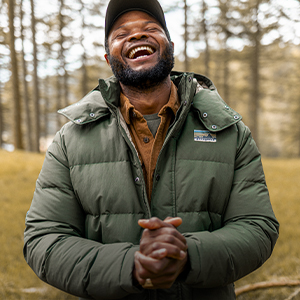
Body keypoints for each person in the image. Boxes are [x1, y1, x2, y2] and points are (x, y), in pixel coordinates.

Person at [23, 0, 279, 299]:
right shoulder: (70, 140)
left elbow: (257, 227)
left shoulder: (229, 132)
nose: (136, 36)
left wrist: (187, 256)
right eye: (121, 34)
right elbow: (44, 238)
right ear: (109, 58)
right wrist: (131, 265)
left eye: (150, 29)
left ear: (169, 47)